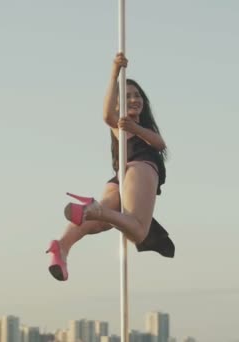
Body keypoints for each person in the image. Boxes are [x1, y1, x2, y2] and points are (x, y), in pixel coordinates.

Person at [46, 52, 174, 281]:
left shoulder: (135, 127)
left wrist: (135, 129)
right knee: (138, 230)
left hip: (119, 178)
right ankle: (97, 209)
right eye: (127, 96)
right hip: (139, 170)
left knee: (100, 224)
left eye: (137, 95)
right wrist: (115, 71)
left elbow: (158, 141)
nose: (134, 99)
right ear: (119, 104)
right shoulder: (122, 125)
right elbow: (108, 115)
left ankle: (62, 246)